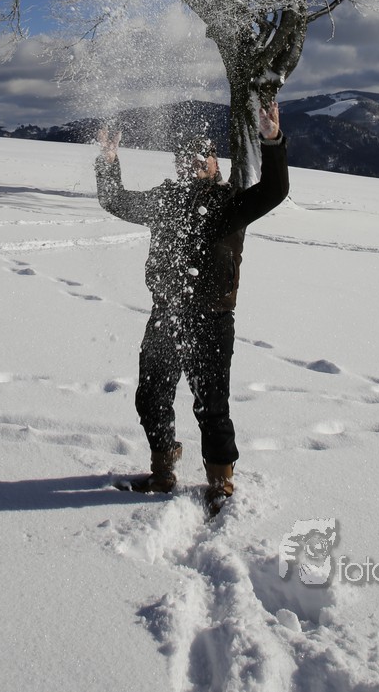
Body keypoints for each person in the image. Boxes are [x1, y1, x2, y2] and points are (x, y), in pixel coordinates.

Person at [95, 102, 289, 511]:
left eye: (204, 156)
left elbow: (275, 191)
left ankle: (221, 481)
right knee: (151, 397)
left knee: (212, 406)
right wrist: (108, 160)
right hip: (166, 315)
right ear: (179, 164)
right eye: (188, 157)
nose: (196, 162)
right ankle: (163, 468)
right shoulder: (165, 200)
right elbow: (115, 200)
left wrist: (272, 141)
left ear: (216, 163)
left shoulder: (231, 202)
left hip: (213, 319)